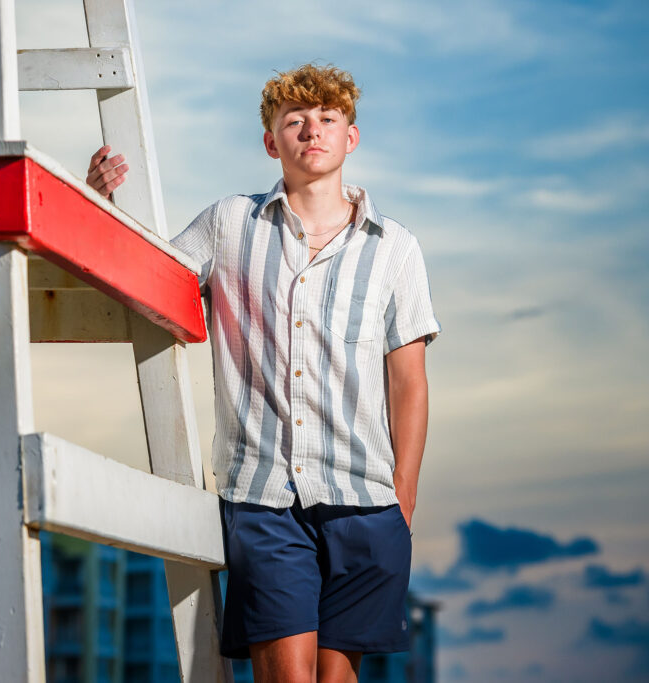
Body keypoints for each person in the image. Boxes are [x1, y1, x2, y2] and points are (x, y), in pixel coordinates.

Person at [87, 63, 440, 683]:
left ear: (350, 138)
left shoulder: (395, 247)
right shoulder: (228, 224)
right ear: (271, 141)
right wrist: (100, 205)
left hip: (368, 501)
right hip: (264, 498)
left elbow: (408, 378)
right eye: (295, 121)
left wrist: (403, 494)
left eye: (328, 119)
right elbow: (147, 276)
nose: (312, 131)